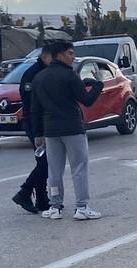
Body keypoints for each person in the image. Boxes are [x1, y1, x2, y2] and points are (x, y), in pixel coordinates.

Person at [31, 41, 104, 221]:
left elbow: (35, 109)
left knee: (54, 170)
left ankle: (55, 206)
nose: (73, 57)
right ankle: (82, 207)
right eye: (70, 53)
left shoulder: (39, 78)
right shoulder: (70, 76)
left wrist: (37, 133)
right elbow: (86, 100)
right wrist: (98, 84)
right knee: (79, 167)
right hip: (72, 128)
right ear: (60, 55)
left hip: (50, 131)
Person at [11, 46, 53, 214]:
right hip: (35, 124)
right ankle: (25, 192)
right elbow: (30, 104)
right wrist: (38, 131)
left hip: (43, 123)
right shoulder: (33, 73)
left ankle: (41, 199)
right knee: (45, 162)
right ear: (44, 56)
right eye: (52, 56)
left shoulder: (44, 71)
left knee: (44, 162)